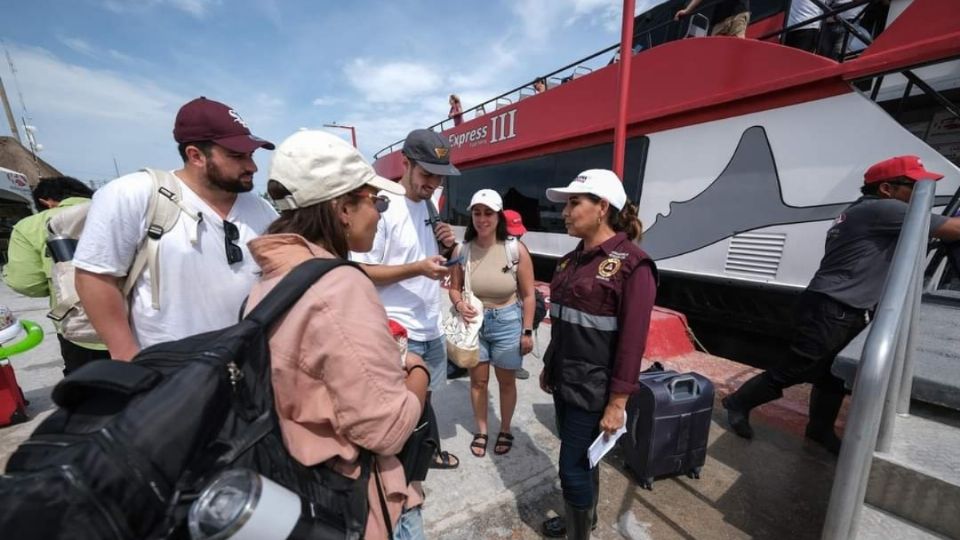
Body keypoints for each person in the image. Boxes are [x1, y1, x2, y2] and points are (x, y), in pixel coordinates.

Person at [245, 129, 429, 539]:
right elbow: (388, 430)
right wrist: (417, 370)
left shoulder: (268, 278)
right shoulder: (339, 286)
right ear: (344, 208)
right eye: (376, 201)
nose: (381, 212)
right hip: (362, 504)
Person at [723, 155, 960, 455]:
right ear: (887, 188)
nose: (920, 194)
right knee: (798, 367)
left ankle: (819, 429)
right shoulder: (886, 210)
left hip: (837, 304)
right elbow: (954, 229)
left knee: (833, 376)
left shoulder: (860, 211)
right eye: (913, 185)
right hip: (834, 306)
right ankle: (738, 402)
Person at [74, 97, 277, 359]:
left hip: (252, 362)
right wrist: (126, 358)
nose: (252, 166)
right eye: (237, 156)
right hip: (172, 369)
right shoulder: (134, 194)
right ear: (196, 156)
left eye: (250, 155)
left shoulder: (261, 208)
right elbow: (94, 277)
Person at [539, 169, 657, 539]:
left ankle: (579, 534)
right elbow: (563, 322)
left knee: (571, 468)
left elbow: (632, 343)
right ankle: (585, 521)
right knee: (584, 459)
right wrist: (549, 366)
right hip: (564, 379)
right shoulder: (571, 261)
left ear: (602, 207)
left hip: (594, 389)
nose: (565, 212)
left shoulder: (633, 266)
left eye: (575, 202)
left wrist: (617, 402)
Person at [350, 128, 461, 470]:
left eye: (439, 177)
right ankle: (395, 477)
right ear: (406, 163)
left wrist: (447, 248)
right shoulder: (382, 206)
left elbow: (431, 257)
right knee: (395, 409)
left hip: (430, 325)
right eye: (427, 174)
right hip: (397, 329)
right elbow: (359, 272)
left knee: (423, 400)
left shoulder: (429, 205)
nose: (433, 184)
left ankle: (423, 456)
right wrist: (417, 268)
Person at [449, 190, 535, 458]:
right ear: (471, 216)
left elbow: (530, 294)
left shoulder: (514, 249)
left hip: (507, 321)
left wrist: (527, 331)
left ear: (499, 217)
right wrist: (459, 304)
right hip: (474, 323)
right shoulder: (462, 249)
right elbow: (454, 288)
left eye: (488, 213)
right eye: (477, 213)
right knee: (478, 382)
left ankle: (505, 428)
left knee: (506, 381)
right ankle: (482, 430)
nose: (482, 219)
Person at [2, 176, 110, 374]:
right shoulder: (120, 211)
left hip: (78, 325)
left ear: (46, 201)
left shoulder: (30, 226)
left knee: (90, 388)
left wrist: (54, 286)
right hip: (142, 322)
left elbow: (26, 282)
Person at [504, 209, 533, 380]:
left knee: (519, 333)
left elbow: (528, 291)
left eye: (518, 234)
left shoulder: (519, 250)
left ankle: (515, 364)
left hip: (517, 303)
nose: (517, 237)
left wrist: (527, 331)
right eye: (512, 234)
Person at [675, 0, 751, 38]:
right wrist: (687, 10)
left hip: (739, 12)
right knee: (715, 47)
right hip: (720, 18)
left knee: (737, 43)